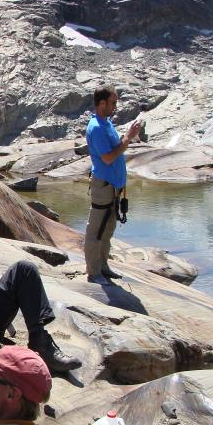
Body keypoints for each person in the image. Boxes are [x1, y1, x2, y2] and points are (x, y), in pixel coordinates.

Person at [84, 85, 143, 285]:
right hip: (103, 185)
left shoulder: (106, 123)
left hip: (113, 186)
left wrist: (127, 137)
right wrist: (127, 138)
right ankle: (93, 272)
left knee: (108, 228)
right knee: (96, 230)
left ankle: (102, 266)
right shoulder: (97, 128)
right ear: (102, 103)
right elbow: (108, 158)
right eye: (113, 102)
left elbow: (114, 150)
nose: (115, 106)